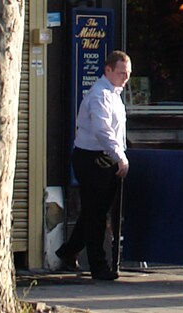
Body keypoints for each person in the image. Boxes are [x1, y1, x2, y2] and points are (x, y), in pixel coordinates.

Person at [58, 50, 130, 280]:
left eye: (128, 73)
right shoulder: (100, 95)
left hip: (104, 156)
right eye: (121, 73)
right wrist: (120, 156)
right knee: (96, 214)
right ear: (108, 70)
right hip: (92, 157)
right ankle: (98, 266)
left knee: (93, 210)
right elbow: (103, 130)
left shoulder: (114, 94)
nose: (126, 78)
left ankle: (68, 252)